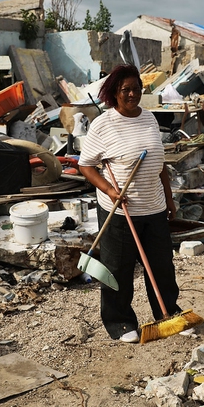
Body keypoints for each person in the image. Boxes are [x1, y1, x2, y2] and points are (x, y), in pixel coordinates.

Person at [78, 64, 182, 343]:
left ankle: (167, 312)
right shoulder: (103, 124)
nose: (133, 94)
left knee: (161, 266)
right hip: (120, 210)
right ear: (115, 92)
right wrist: (110, 189)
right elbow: (86, 165)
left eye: (137, 88)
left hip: (154, 206)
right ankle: (120, 323)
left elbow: (159, 164)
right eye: (126, 90)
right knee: (118, 268)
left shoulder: (148, 118)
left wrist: (169, 199)